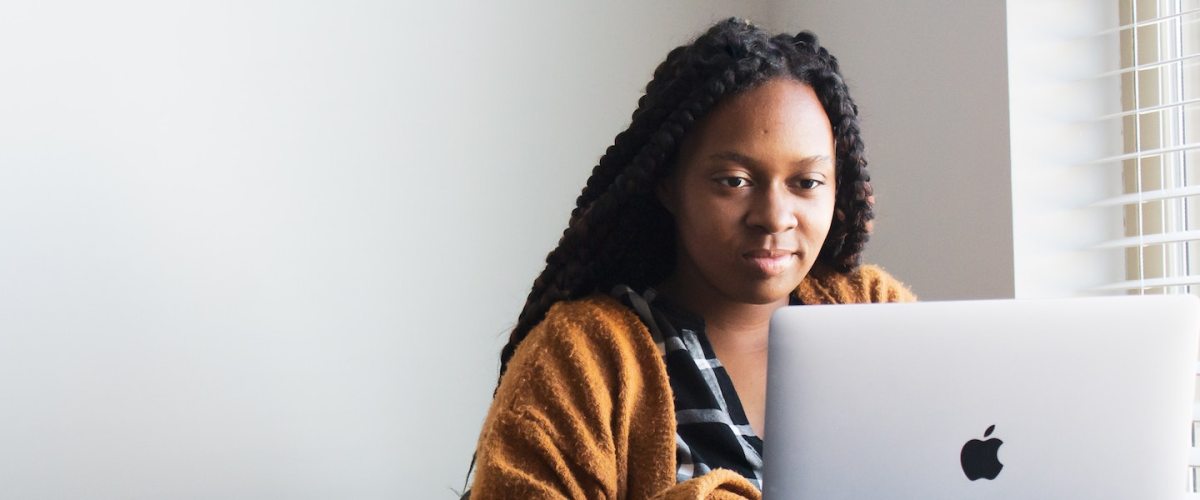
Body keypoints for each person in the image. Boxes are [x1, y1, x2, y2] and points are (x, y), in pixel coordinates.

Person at [463, 18, 915, 499]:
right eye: (734, 181)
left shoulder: (872, 311)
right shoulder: (582, 360)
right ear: (668, 183)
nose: (774, 216)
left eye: (806, 183)